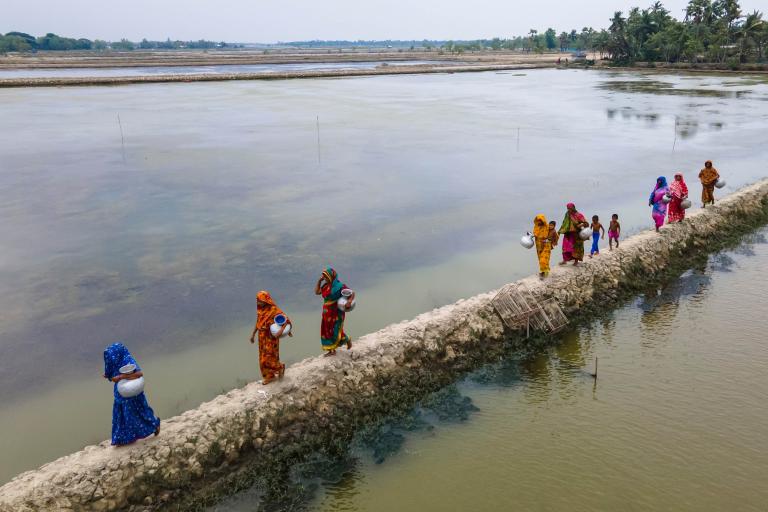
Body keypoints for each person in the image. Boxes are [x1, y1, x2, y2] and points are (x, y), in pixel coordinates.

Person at [103, 343, 160, 446]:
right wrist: (109, 377)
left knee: (141, 412)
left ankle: (154, 426)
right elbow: (110, 375)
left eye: (112, 356)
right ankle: (121, 439)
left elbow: (139, 374)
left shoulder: (127, 360)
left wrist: (121, 377)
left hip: (133, 392)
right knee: (122, 416)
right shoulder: (113, 363)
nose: (111, 359)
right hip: (121, 394)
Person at [249, 291, 290, 385]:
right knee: (262, 357)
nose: (257, 302)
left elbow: (286, 320)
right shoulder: (260, 310)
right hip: (261, 336)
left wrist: (281, 330)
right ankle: (269, 376)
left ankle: (280, 367)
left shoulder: (274, 310)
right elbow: (258, 322)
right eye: (257, 300)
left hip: (270, 337)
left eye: (259, 300)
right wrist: (253, 334)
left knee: (270, 356)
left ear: (265, 300)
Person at [315, 267, 354, 356]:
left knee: (335, 329)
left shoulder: (340, 286)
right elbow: (317, 292)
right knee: (326, 331)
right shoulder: (325, 286)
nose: (324, 278)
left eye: (325, 277)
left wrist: (349, 301)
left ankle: (347, 340)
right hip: (326, 313)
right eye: (323, 277)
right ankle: (331, 350)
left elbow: (352, 293)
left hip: (336, 312)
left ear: (331, 276)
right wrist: (319, 281)